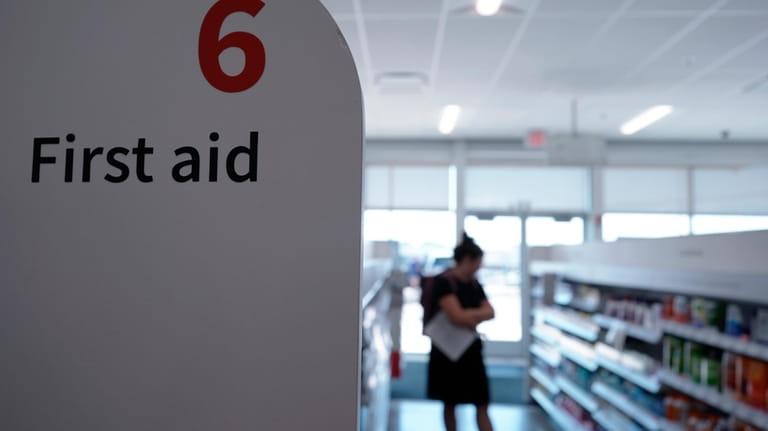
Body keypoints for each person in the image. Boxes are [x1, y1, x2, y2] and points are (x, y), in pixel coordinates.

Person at [427, 233, 495, 431]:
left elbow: (491, 312)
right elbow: (456, 317)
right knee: (450, 402)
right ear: (466, 260)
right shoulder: (444, 282)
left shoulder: (474, 283)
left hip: (471, 351)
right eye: (477, 263)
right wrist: (475, 315)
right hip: (447, 352)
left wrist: (468, 314)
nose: (478, 267)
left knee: (482, 402)